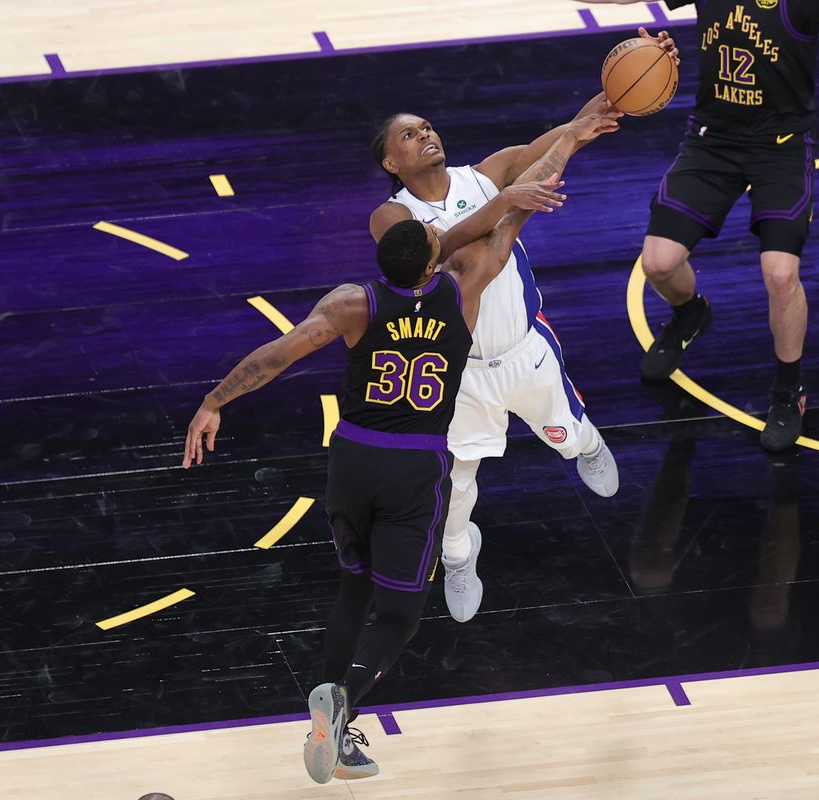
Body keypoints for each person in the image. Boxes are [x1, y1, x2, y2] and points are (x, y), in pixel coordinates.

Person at [180, 107, 620, 784]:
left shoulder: (354, 304)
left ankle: (333, 714)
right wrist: (558, 155)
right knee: (400, 614)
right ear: (433, 257)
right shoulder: (461, 294)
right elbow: (508, 223)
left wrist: (214, 401)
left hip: (354, 459)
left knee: (353, 591)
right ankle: (343, 702)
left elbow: (277, 355)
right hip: (414, 467)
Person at [367, 54, 671, 623]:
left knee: (564, 434)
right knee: (455, 484)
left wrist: (628, 80)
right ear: (390, 161)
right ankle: (459, 557)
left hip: (522, 348)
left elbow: (569, 133)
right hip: (453, 374)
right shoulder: (389, 217)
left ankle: (585, 445)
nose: (425, 134)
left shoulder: (490, 170)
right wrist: (505, 202)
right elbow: (438, 253)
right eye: (409, 134)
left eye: (426, 126)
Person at [579, 0, 819, 450]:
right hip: (712, 142)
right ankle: (690, 313)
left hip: (782, 149)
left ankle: (789, 389)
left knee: (780, 275)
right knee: (658, 263)